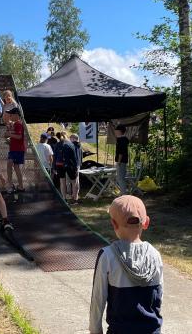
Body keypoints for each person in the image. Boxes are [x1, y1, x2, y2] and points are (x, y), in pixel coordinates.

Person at [89, 195, 163, 334]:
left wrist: (95, 330)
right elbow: (158, 298)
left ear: (114, 224)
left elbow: (98, 299)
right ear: (146, 223)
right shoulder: (155, 255)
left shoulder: (107, 256)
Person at [5, 107, 25, 193]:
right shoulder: (14, 124)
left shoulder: (19, 124)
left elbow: (19, 137)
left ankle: (12, 184)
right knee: (14, 166)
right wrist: (8, 136)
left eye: (11, 114)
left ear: (16, 115)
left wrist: (9, 134)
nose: (10, 116)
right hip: (13, 149)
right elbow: (8, 135)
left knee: (12, 165)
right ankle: (17, 186)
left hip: (18, 149)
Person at [54, 132, 78, 201]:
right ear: (66, 136)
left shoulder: (57, 144)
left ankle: (64, 199)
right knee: (74, 182)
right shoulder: (70, 144)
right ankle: (75, 199)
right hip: (69, 164)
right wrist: (76, 167)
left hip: (59, 164)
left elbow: (55, 156)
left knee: (62, 181)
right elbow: (74, 157)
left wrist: (54, 167)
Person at [115, 124, 129, 195]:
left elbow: (121, 152)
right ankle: (123, 192)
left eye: (116, 131)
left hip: (121, 161)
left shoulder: (122, 140)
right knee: (119, 178)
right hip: (122, 161)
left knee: (120, 178)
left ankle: (124, 194)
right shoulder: (121, 139)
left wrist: (119, 161)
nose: (115, 132)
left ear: (120, 131)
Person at [69, 133, 83, 205]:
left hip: (74, 165)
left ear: (74, 138)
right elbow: (81, 156)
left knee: (74, 182)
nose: (69, 140)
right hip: (78, 165)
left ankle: (75, 199)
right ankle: (76, 196)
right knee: (76, 181)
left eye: (70, 138)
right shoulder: (80, 145)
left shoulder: (73, 145)